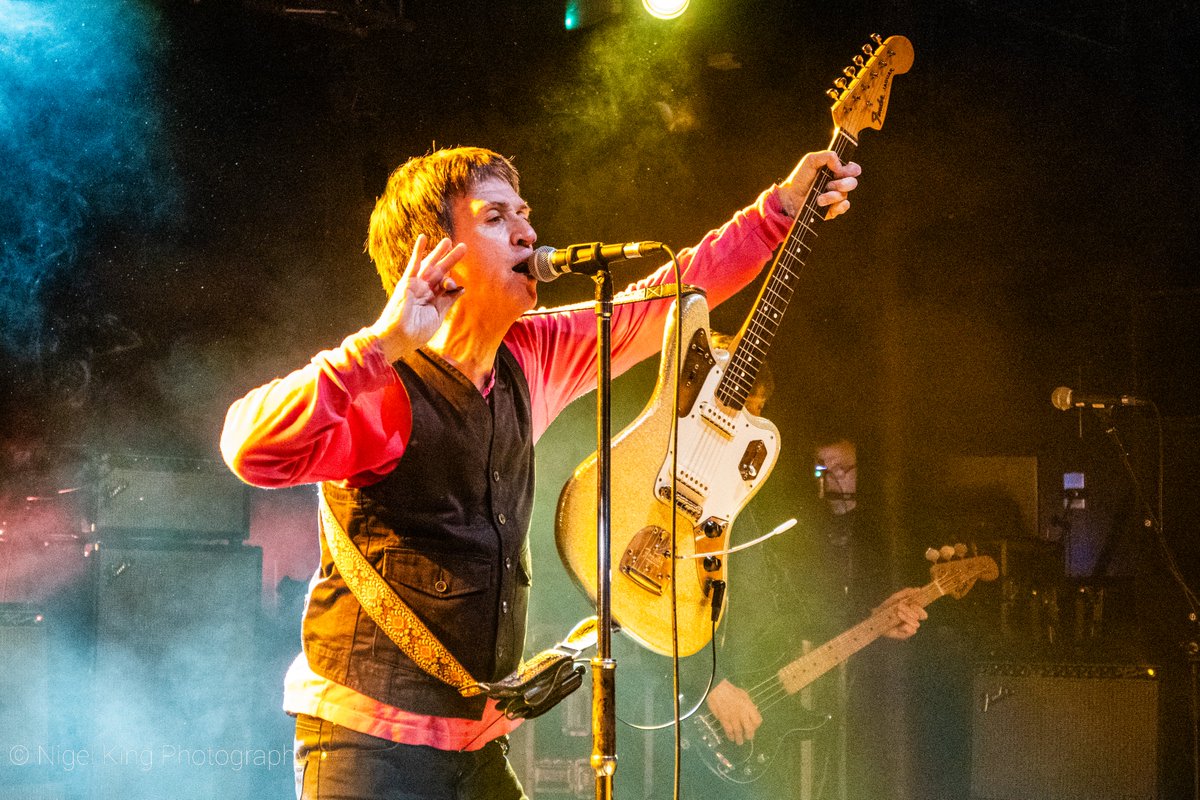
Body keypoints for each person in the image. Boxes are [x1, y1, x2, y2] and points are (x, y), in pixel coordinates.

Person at [219, 144, 861, 800]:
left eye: (525, 213)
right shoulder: (384, 384)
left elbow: (672, 297)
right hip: (367, 745)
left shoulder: (530, 355)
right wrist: (380, 344)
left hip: (475, 742)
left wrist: (780, 208)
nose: (528, 231)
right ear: (433, 253)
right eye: (496, 217)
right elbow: (250, 446)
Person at [699, 408, 926, 799]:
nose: (834, 482)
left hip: (767, 694)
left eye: (757, 413)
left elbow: (799, 608)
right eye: (824, 471)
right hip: (713, 691)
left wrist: (874, 620)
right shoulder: (724, 503)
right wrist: (712, 686)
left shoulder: (873, 531)